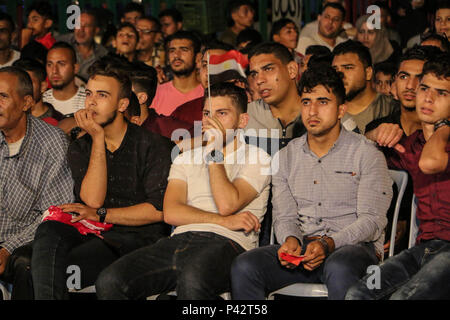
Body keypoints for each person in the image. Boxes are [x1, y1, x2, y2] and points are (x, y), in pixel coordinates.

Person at [95, 82, 271, 300]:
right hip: (181, 239)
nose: (211, 121)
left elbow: (228, 204)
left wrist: (214, 154)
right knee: (111, 280)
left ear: (242, 121)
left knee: (192, 279)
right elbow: (172, 212)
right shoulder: (186, 157)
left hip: (229, 244)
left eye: (222, 113)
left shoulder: (257, 158)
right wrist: (224, 220)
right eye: (207, 113)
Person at [231, 65, 393, 300]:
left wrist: (329, 244)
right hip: (306, 248)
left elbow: (372, 222)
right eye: (306, 102)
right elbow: (285, 217)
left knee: (339, 266)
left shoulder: (366, 154)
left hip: (354, 249)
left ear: (341, 110)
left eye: (323, 102)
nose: (312, 111)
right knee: (245, 265)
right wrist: (291, 240)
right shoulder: (286, 157)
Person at [31, 61, 174, 300]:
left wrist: (102, 214)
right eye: (88, 94)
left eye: (102, 95)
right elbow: (92, 199)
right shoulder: (81, 146)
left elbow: (159, 211)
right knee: (47, 232)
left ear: (122, 104)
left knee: (61, 266)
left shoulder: (155, 146)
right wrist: (97, 138)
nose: (92, 101)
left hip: (136, 239)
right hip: (93, 230)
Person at [346, 53, 450, 300]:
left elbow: (430, 162)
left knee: (403, 298)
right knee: (358, 293)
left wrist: (444, 127)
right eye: (425, 88)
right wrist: (373, 135)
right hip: (423, 250)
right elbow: (353, 154)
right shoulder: (410, 144)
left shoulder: (439, 143)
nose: (428, 97)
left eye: (442, 93)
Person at [0, 66, 74, 299]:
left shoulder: (51, 143)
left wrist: (6, 249)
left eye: (2, 97)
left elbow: (53, 213)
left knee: (27, 263)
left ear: (26, 103)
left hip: (21, 243)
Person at [365, 46, 440, 257]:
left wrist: (405, 221)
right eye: (404, 76)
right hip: (376, 233)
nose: (411, 85)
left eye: (420, 78)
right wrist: (370, 137)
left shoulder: (442, 136)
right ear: (393, 87)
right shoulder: (378, 127)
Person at [245, 42, 306, 155]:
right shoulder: (244, 116)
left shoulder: (316, 113)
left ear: (292, 70)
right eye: (254, 74)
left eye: (268, 69)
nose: (259, 80)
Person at [332, 40, 395, 134]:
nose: (340, 75)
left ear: (368, 73)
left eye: (348, 68)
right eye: (335, 69)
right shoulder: (328, 111)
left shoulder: (391, 108)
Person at [150, 31, 203, 116]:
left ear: (198, 57)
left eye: (184, 50)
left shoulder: (208, 94)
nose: (176, 55)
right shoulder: (155, 93)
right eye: (172, 50)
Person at [57, 9, 109, 83]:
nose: (81, 30)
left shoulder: (103, 54)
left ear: (96, 30)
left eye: (87, 26)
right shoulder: (61, 43)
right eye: (78, 24)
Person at [13, 58, 63, 125]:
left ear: (43, 86)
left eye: (28, 82)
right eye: (17, 83)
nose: (21, 88)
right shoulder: (6, 120)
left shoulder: (60, 122)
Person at [43, 42, 86, 116]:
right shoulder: (40, 101)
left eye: (61, 64)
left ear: (75, 68)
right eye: (50, 65)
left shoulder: (89, 101)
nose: (54, 71)